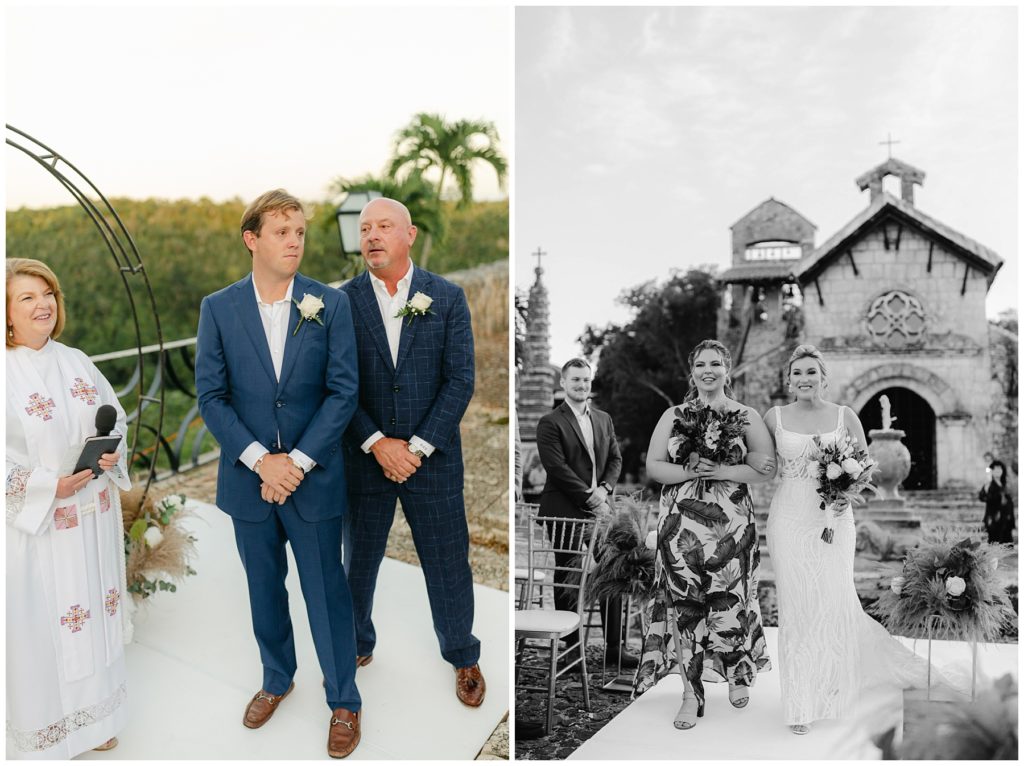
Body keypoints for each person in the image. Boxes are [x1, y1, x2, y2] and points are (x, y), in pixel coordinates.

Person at [195, 190, 362, 758]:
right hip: (248, 482)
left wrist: (295, 462)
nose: (294, 242)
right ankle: (276, 679)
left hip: (312, 479)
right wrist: (258, 460)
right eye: (282, 232)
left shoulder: (328, 305)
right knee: (263, 590)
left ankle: (344, 701)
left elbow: (343, 392)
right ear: (252, 239)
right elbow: (211, 397)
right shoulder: (218, 308)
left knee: (326, 594)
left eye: (300, 232)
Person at [340, 197, 485, 707]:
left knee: (448, 562)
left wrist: (417, 447)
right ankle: (357, 644)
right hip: (365, 456)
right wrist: (378, 443)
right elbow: (338, 385)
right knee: (357, 560)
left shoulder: (446, 297)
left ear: (410, 234)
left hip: (434, 459)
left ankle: (462, 654)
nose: (372, 235)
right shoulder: (342, 301)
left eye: (384, 226)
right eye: (364, 228)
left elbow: (460, 379)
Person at [763, 344, 947, 735]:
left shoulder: (844, 416)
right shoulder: (773, 417)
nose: (804, 379)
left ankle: (831, 686)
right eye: (797, 373)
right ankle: (800, 701)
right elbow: (762, 465)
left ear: (824, 377)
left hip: (835, 519)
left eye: (811, 372)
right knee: (797, 606)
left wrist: (841, 490)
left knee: (833, 600)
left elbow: (865, 471)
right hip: (789, 519)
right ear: (789, 379)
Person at [6, 258, 131, 758]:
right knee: (44, 627)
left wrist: (110, 449)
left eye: (48, 293)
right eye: (27, 297)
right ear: (6, 314)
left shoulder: (77, 359)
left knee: (93, 615)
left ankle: (98, 719)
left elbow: (114, 413)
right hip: (37, 529)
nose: (42, 305)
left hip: (91, 518)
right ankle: (49, 728)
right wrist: (43, 486)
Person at [634, 339, 774, 729]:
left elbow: (767, 466)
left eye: (715, 363)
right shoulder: (674, 414)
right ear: (692, 371)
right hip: (681, 527)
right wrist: (691, 472)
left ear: (727, 370)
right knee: (684, 608)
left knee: (730, 599)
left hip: (731, 525)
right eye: (701, 365)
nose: (708, 370)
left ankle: (736, 673)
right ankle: (689, 692)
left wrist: (724, 471)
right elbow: (654, 465)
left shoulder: (745, 415)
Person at [536, 357, 632, 669]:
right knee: (567, 572)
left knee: (614, 569)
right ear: (563, 383)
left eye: (585, 380)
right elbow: (556, 468)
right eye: (575, 380)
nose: (581, 385)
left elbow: (616, 459)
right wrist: (588, 497)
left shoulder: (604, 419)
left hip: (602, 508)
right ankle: (571, 649)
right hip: (564, 508)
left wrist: (603, 490)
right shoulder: (550, 422)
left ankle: (614, 647)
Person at [980, 459, 1015, 544]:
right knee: (995, 545)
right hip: (994, 520)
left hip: (1006, 520)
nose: (998, 471)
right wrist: (986, 487)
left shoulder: (1004, 484)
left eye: (1000, 469)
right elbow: (983, 497)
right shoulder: (989, 484)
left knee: (1007, 548)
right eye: (996, 469)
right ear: (992, 471)